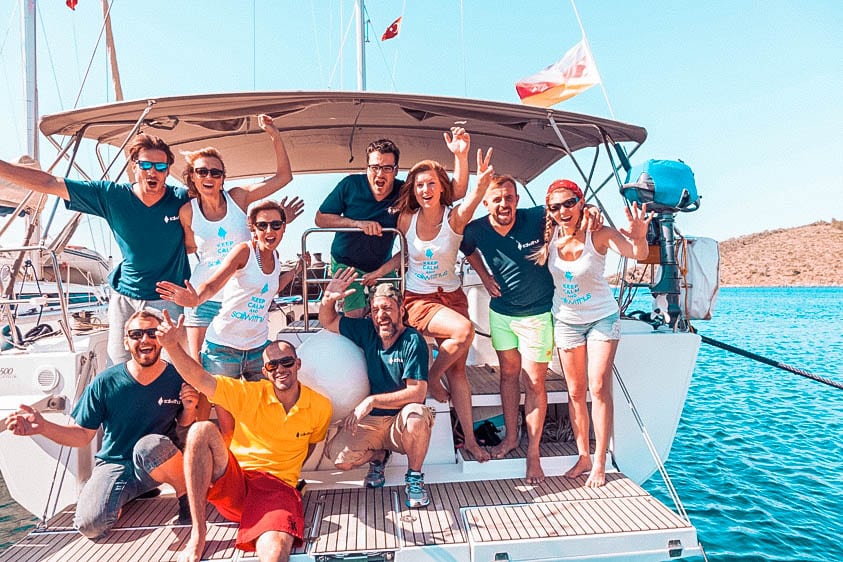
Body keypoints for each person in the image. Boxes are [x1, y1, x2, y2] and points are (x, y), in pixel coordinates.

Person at [6, 309, 198, 538]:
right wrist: (43, 426)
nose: (144, 340)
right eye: (136, 334)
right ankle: (130, 493)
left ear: (161, 339)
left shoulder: (177, 377)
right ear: (126, 342)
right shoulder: (105, 382)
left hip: (156, 461)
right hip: (114, 464)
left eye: (151, 333)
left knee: (150, 445)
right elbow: (82, 435)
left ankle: (187, 498)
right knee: (90, 525)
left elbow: (185, 426)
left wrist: (189, 409)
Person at [156, 311, 331, 562]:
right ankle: (198, 533)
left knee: (275, 553)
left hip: (278, 489)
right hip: (237, 481)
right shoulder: (249, 393)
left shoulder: (321, 406)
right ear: (265, 371)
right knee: (200, 430)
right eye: (272, 365)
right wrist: (172, 347)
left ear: (298, 364)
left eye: (287, 362)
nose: (280, 369)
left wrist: (288, 469)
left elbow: (311, 445)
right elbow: (200, 379)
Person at [460, 176, 602, 484]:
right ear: (486, 203)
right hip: (501, 315)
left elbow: (569, 208)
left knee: (534, 381)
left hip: (537, 315)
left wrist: (591, 209)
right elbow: (467, 248)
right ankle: (512, 438)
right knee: (508, 375)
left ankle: (533, 453)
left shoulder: (536, 217)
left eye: (509, 198)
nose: (504, 204)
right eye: (497, 199)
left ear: (517, 200)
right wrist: (483, 276)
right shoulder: (476, 230)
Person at [0, 135, 189, 364]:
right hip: (125, 296)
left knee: (172, 367)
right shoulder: (113, 195)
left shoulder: (180, 199)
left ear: (167, 171)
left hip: (167, 298)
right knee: (117, 365)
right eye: (146, 165)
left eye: (160, 167)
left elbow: (217, 210)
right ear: (134, 166)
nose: (153, 172)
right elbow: (51, 183)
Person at [369, 146, 494, 462]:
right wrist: (378, 273)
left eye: (431, 184)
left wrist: (468, 165)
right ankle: (431, 377)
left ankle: (470, 441)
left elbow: (472, 198)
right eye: (420, 185)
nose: (425, 190)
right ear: (414, 190)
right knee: (464, 331)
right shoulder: (406, 219)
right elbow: (403, 254)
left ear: (441, 189)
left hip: (452, 297)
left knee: (459, 374)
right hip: (419, 299)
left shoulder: (455, 219)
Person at [531, 179, 652, 487]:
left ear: (581, 202)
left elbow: (636, 253)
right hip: (566, 321)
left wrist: (639, 236)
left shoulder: (599, 233)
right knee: (575, 392)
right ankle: (583, 455)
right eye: (555, 207)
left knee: (598, 387)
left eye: (569, 203)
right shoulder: (549, 236)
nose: (563, 211)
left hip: (601, 318)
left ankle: (600, 461)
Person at [157, 200, 302, 441]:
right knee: (229, 428)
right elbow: (213, 283)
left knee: (266, 414)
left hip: (258, 350)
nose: (269, 230)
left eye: (275, 225)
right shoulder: (244, 252)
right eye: (262, 225)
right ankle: (224, 464)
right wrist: (195, 299)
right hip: (223, 350)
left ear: (284, 227)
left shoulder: (276, 257)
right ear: (252, 228)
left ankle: (262, 460)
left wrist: (296, 271)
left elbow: (271, 289)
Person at [178, 113, 297, 362]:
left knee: (242, 371)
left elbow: (283, 177)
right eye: (202, 172)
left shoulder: (238, 198)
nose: (209, 177)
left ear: (223, 178)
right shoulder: (187, 212)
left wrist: (275, 136)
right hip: (203, 299)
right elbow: (189, 248)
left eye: (216, 172)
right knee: (199, 370)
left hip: (241, 299)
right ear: (192, 176)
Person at [314, 129, 469, 317]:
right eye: (375, 167)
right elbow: (320, 218)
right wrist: (358, 224)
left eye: (387, 168)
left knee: (390, 311)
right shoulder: (350, 185)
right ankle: (361, 321)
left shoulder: (403, 191)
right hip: (346, 262)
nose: (380, 173)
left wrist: (461, 156)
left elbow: (454, 193)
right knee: (355, 315)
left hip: (382, 264)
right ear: (367, 168)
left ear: (395, 170)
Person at [319, 269, 433, 508]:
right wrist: (328, 300)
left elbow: (417, 393)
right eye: (375, 309)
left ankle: (414, 478)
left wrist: (371, 401)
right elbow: (328, 321)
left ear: (401, 310)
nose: (381, 315)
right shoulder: (366, 330)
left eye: (387, 308)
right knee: (339, 458)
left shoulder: (413, 340)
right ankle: (379, 457)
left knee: (417, 415)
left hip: (401, 420)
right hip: (373, 422)